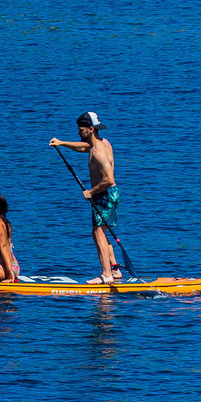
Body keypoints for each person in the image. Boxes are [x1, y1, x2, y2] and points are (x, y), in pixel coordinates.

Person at [51, 112, 121, 285]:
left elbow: (109, 179)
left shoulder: (98, 151)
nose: (78, 133)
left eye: (81, 130)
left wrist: (91, 191)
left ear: (90, 129)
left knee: (98, 233)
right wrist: (62, 143)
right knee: (101, 232)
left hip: (104, 195)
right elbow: (83, 147)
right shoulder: (101, 143)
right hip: (105, 195)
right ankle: (115, 269)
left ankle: (106, 275)